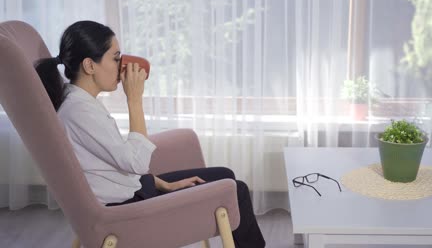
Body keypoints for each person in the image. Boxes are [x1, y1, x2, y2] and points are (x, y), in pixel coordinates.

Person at [34, 20, 265, 247]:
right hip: (129, 208)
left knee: (226, 175)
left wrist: (163, 184)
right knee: (237, 190)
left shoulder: (78, 102)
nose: (122, 65)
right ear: (89, 66)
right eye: (116, 58)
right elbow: (137, 163)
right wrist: (134, 100)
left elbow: (108, 165)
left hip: (135, 191)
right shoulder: (80, 112)